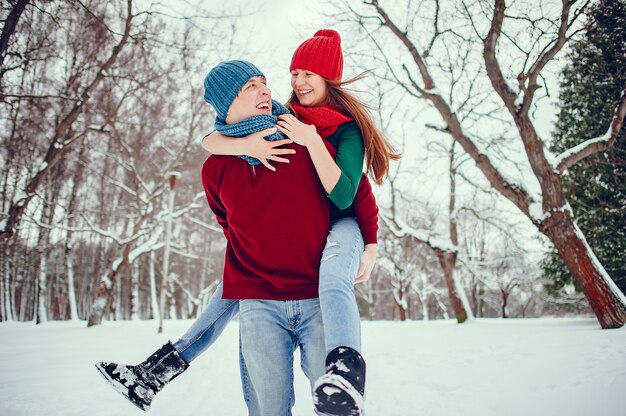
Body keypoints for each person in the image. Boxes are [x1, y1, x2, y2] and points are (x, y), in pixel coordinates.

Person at [94, 59, 378, 416]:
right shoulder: (214, 169)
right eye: (250, 87)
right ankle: (152, 374)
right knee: (267, 408)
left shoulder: (301, 134)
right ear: (228, 103)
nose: (266, 90)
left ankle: (153, 373)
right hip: (260, 307)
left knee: (338, 408)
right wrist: (241, 149)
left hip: (316, 298)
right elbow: (232, 228)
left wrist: (370, 244)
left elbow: (356, 192)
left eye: (264, 82)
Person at [203, 29, 399, 416]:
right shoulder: (283, 114)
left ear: (328, 78)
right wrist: (245, 145)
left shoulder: (346, 130)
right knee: (234, 282)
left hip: (341, 228)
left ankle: (346, 369)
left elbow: (347, 195)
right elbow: (215, 135)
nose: (298, 82)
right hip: (284, 265)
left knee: (332, 284)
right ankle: (168, 361)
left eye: (308, 73)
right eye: (294, 73)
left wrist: (372, 243)